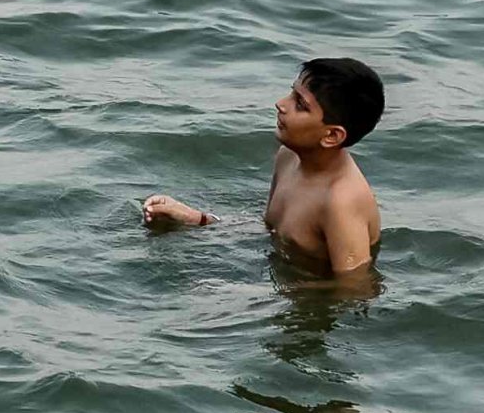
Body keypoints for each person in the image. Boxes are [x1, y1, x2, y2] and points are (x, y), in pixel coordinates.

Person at [144, 57, 385, 275]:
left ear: (332, 136)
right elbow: (272, 230)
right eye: (292, 93)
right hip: (281, 279)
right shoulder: (288, 157)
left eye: (300, 104)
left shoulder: (340, 203)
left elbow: (353, 291)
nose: (281, 104)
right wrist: (196, 219)